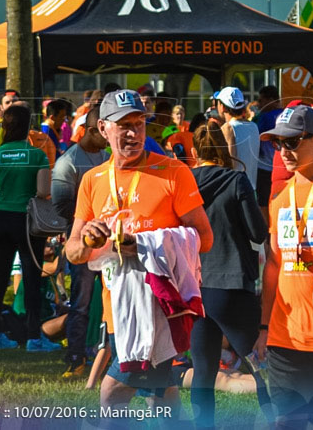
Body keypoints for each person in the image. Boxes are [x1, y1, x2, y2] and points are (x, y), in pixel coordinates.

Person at [65, 89, 213, 416]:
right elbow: (73, 252)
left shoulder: (174, 172)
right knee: (161, 400)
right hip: (116, 309)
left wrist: (143, 244)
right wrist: (88, 239)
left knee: (112, 394)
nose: (133, 133)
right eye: (123, 126)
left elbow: (204, 238)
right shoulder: (92, 180)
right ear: (103, 129)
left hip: (158, 309)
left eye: (139, 124)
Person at [255, 105, 313, 429]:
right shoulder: (279, 195)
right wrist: (264, 327)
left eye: (292, 142)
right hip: (284, 337)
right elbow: (274, 266)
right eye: (278, 143)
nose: (284, 151)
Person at [188, 121, 268, 427]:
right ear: (225, 150)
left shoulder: (184, 182)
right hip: (231, 281)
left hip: (194, 285)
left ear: (194, 152)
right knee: (259, 365)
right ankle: (279, 418)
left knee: (204, 369)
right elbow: (257, 232)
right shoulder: (237, 180)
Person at [0, 104, 61, 352]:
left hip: (0, 219)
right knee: (30, 278)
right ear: (28, 126)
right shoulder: (37, 155)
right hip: (27, 222)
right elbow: (42, 192)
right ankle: (33, 338)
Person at [51, 108, 109, 378]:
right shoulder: (69, 161)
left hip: (109, 243)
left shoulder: (107, 155)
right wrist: (88, 221)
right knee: (81, 302)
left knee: (113, 300)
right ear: (92, 129)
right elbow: (60, 205)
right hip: (82, 243)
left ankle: (110, 356)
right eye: (104, 131)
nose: (109, 137)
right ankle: (76, 358)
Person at [216, 87, 259, 189]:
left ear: (222, 107)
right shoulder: (254, 126)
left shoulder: (228, 128)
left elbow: (230, 163)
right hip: (252, 188)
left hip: (235, 189)